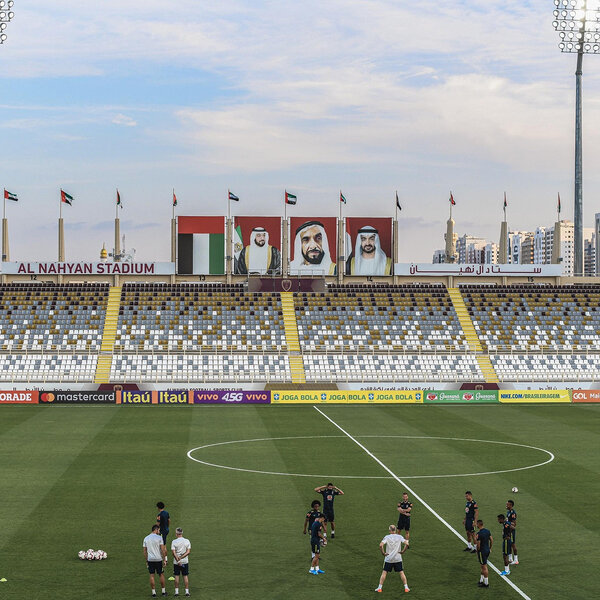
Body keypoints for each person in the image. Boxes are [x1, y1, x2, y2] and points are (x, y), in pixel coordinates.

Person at [375, 524, 410, 593]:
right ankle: (406, 588)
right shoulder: (399, 537)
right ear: (396, 530)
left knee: (384, 572)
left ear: (390, 530)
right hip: (398, 558)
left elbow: (380, 545)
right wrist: (403, 551)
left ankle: (379, 588)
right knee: (401, 572)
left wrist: (383, 553)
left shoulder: (387, 537)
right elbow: (407, 543)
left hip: (389, 558)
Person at [143, 524, 168, 597]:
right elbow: (163, 550)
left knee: (152, 575)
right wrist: (164, 559)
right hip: (158, 559)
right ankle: (163, 592)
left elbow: (144, 551)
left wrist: (147, 560)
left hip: (150, 559)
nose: (159, 531)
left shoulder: (146, 538)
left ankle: (153, 593)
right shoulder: (159, 538)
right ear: (156, 530)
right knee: (161, 574)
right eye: (159, 530)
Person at [171, 527, 191, 597]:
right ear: (182, 533)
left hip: (176, 562)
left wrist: (178, 560)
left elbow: (173, 553)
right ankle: (187, 592)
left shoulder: (174, 541)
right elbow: (188, 552)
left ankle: (176, 592)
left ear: (176, 534)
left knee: (176, 576)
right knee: (185, 576)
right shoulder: (187, 541)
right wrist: (181, 558)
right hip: (185, 561)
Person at [475, 519, 493, 588]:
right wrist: (490, 548)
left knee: (484, 567)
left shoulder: (479, 534)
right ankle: (481, 580)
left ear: (479, 524)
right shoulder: (487, 531)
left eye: (477, 524)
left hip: (482, 551)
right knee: (482, 565)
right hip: (487, 550)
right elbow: (491, 540)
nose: (476, 525)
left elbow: (478, 545)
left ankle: (486, 583)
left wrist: (477, 551)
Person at [506, 499, 518, 565]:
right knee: (509, 544)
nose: (506, 505)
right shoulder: (508, 512)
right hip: (508, 531)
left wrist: (507, 522)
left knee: (513, 545)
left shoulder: (513, 513)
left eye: (507, 504)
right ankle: (510, 559)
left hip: (511, 531)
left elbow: (514, 523)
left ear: (510, 505)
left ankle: (516, 560)